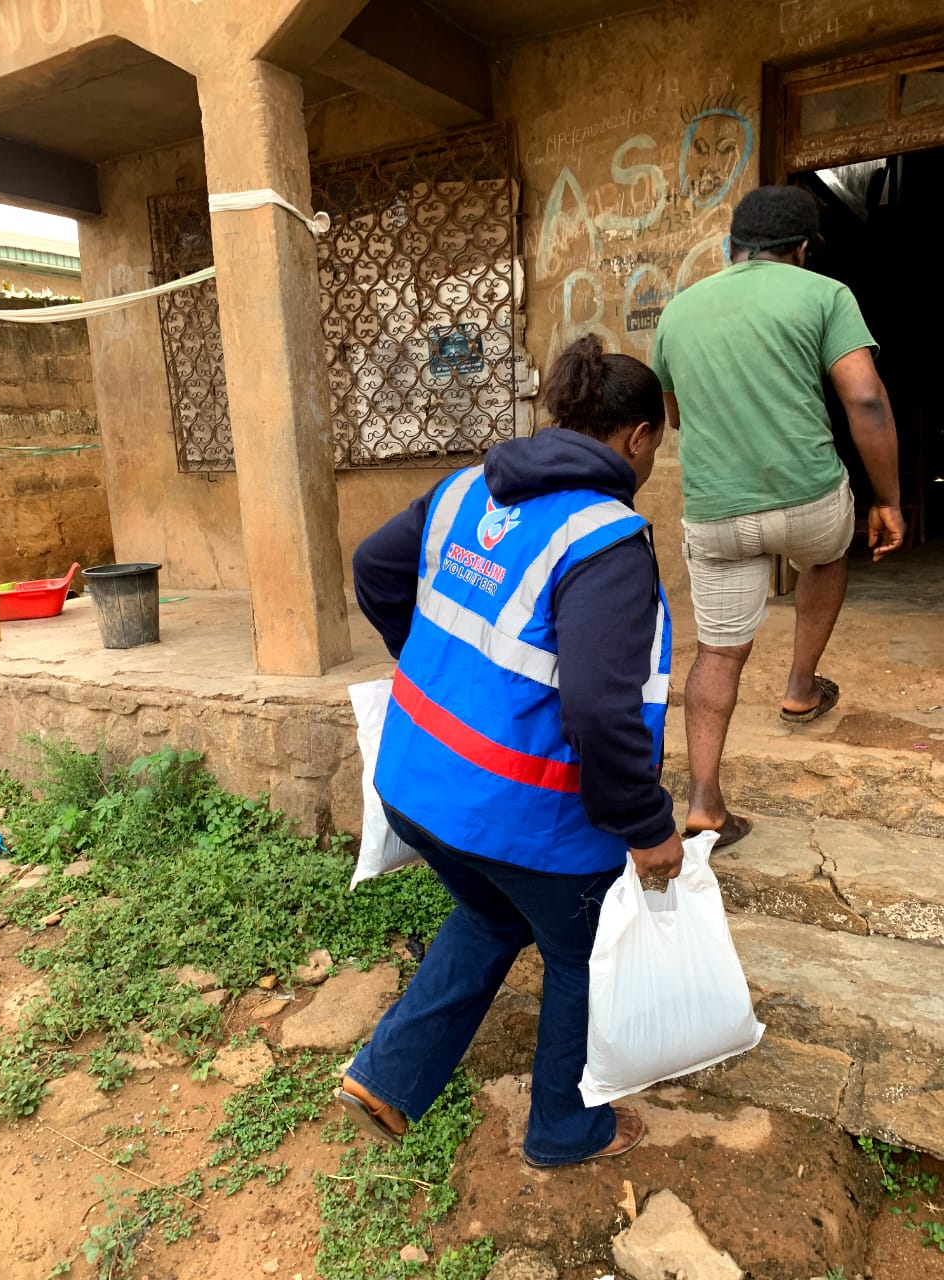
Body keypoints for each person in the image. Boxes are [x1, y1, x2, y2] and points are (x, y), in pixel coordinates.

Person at [336, 334, 683, 1170]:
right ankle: (566, 1130)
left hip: (413, 784)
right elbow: (602, 714)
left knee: (494, 911)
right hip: (520, 816)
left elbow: (374, 568)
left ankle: (386, 1075)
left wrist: (432, 665)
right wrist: (646, 826)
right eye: (658, 442)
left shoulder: (462, 490)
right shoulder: (605, 540)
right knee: (580, 949)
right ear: (636, 437)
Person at [650, 183, 905, 850]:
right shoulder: (824, 294)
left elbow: (674, 415)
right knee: (826, 552)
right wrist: (888, 499)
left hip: (716, 514)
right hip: (808, 501)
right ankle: (799, 686)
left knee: (718, 651)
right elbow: (867, 404)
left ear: (732, 247)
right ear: (800, 249)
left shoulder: (677, 311)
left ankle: (704, 803)